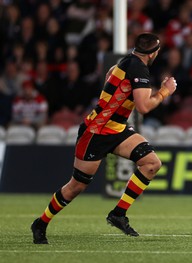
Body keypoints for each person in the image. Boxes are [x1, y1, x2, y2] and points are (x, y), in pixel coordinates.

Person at [30, 33, 177, 244]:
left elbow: (109, 74)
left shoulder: (126, 61)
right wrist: (165, 92)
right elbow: (144, 107)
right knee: (76, 187)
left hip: (116, 129)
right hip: (96, 132)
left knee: (151, 163)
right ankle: (41, 222)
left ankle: (118, 214)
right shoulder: (138, 68)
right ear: (153, 53)